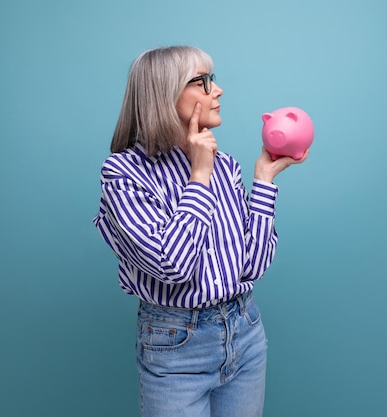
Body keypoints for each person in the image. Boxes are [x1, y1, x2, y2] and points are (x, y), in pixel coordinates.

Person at [93, 45, 308, 417]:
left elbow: (251, 267)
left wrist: (263, 179)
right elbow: (172, 265)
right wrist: (199, 176)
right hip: (176, 346)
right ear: (164, 93)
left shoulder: (226, 166)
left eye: (214, 79)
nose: (218, 90)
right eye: (201, 81)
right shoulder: (123, 174)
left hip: (245, 331)